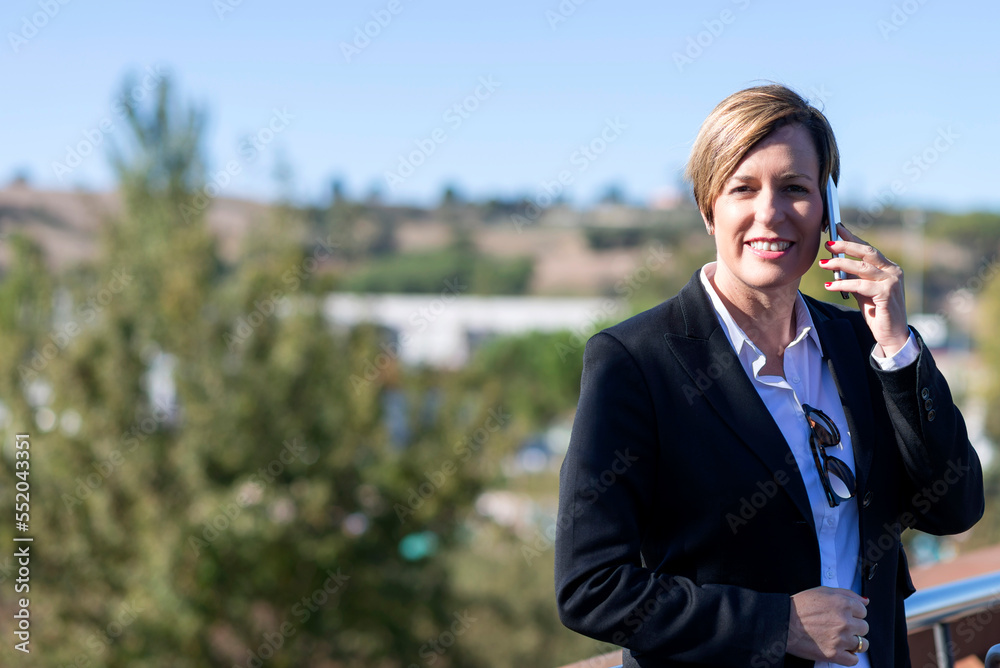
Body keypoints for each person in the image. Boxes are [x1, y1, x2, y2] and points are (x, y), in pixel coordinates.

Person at [554, 84, 984, 668]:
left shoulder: (865, 345)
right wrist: (777, 624)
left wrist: (896, 345)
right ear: (709, 208)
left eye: (796, 189)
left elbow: (954, 508)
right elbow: (591, 588)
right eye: (743, 188)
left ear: (829, 210)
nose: (770, 213)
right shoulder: (635, 362)